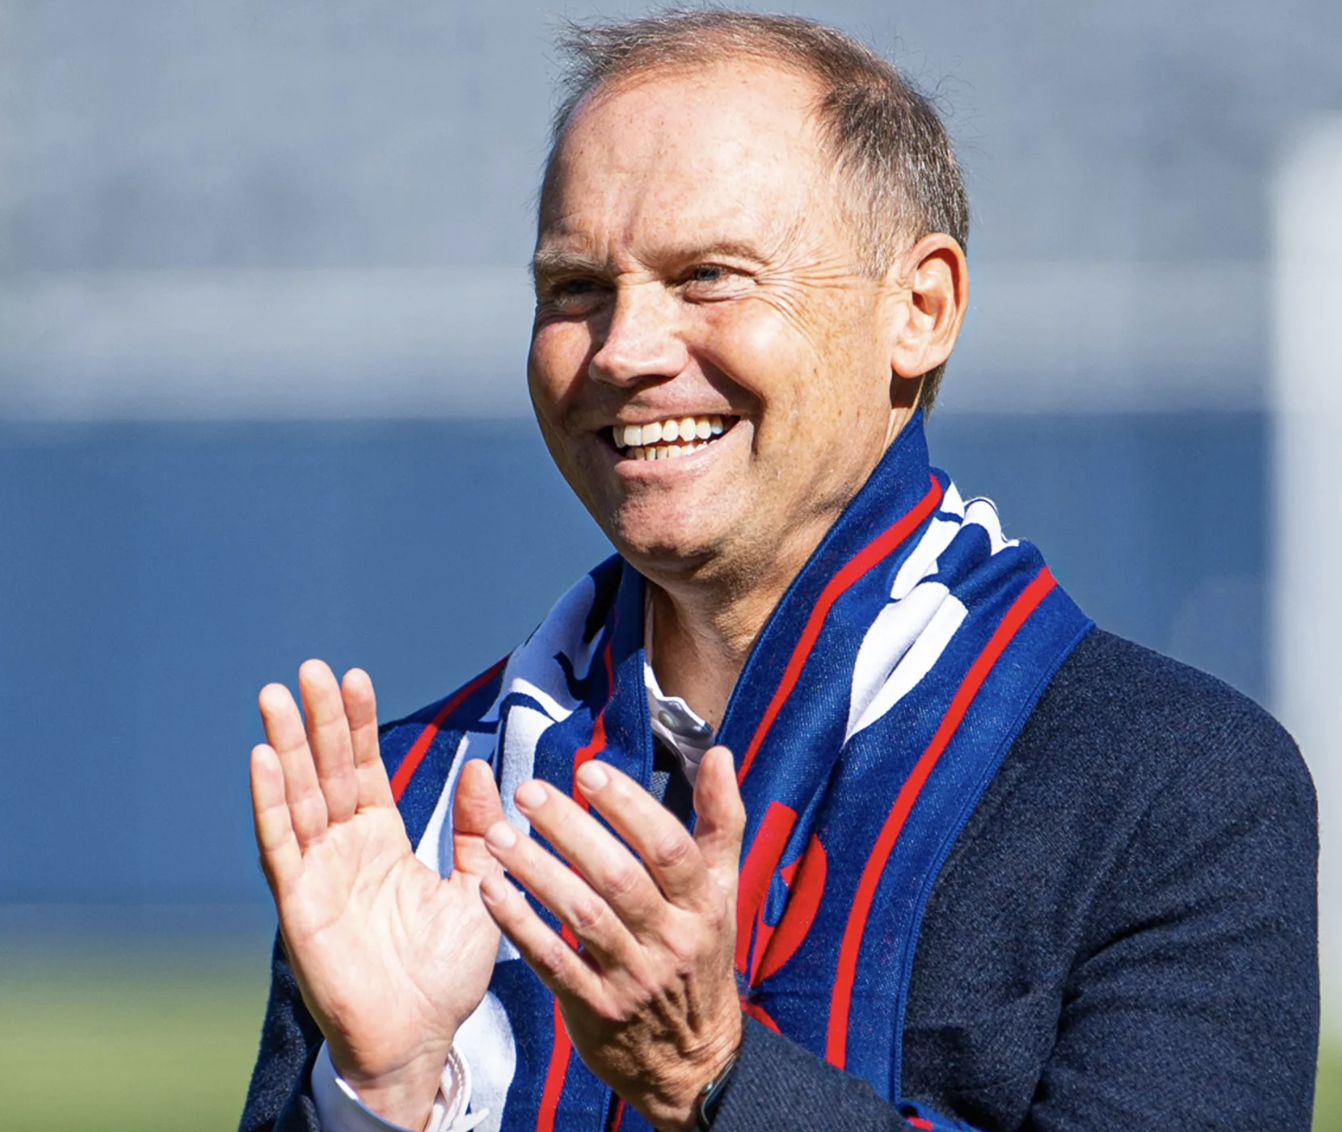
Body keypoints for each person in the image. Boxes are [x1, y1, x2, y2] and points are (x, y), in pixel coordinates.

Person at [239, 11, 1318, 1132]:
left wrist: (713, 1077)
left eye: (709, 275)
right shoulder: (409, 802)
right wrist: (381, 1094)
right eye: (575, 288)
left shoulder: (1166, 788)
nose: (623, 349)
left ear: (921, 309)